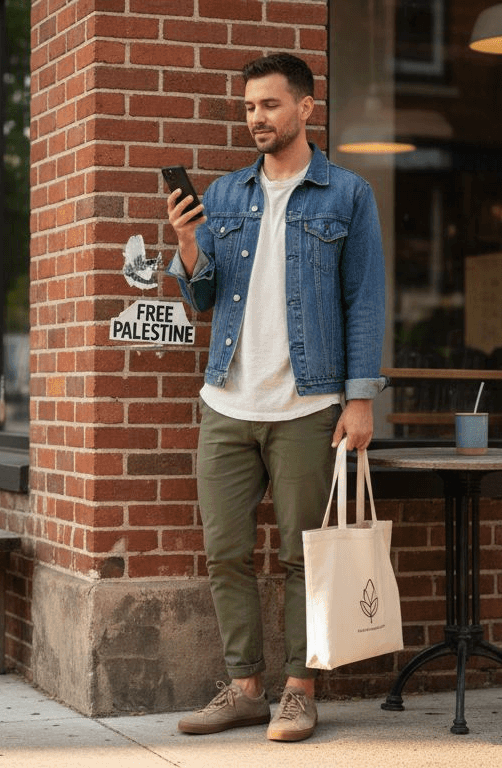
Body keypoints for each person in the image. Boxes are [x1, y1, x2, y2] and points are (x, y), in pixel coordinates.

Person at [165, 52, 386, 742]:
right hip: (227, 402)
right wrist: (186, 243)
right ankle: (244, 687)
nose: (257, 118)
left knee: (301, 556)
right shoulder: (226, 195)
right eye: (249, 107)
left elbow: (365, 300)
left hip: (307, 404)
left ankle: (298, 690)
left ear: (305, 109)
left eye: (270, 105)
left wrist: (359, 398)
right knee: (225, 551)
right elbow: (202, 297)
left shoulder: (346, 194)